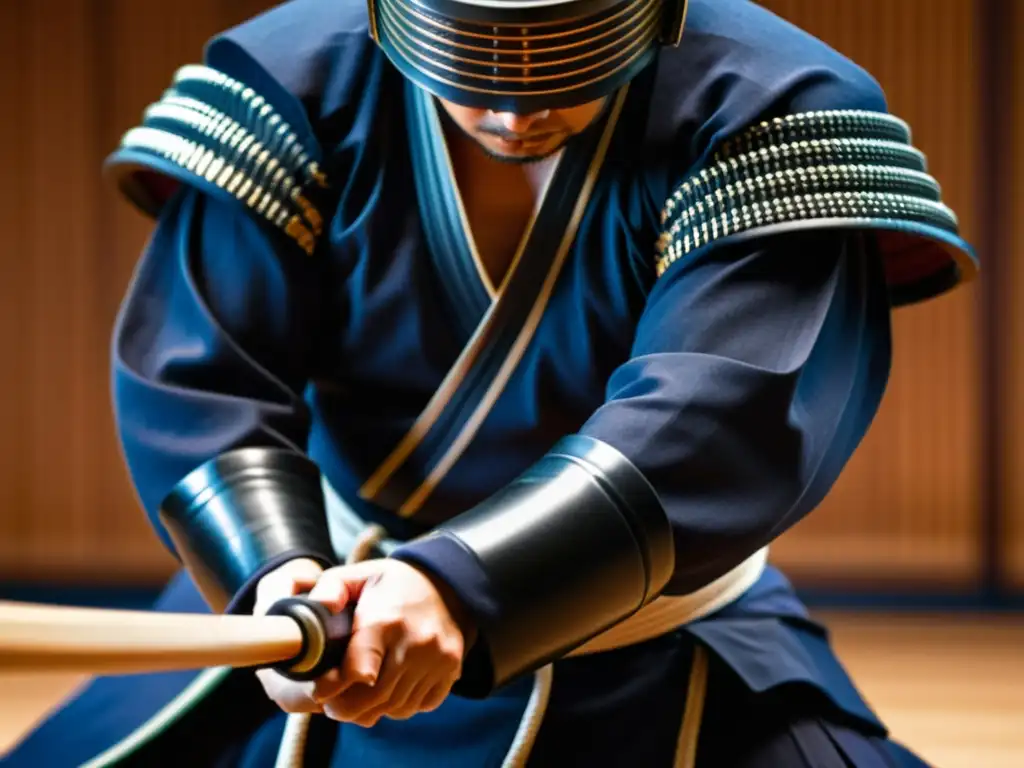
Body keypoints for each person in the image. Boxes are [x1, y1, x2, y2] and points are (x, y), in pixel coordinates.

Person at [3, 0, 977, 766]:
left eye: (568, 63)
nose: (514, 110)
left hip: (642, 636)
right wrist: (272, 573)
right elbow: (202, 380)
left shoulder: (772, 111)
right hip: (317, 611)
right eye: (468, 71)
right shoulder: (290, 86)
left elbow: (723, 416)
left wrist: (462, 585)